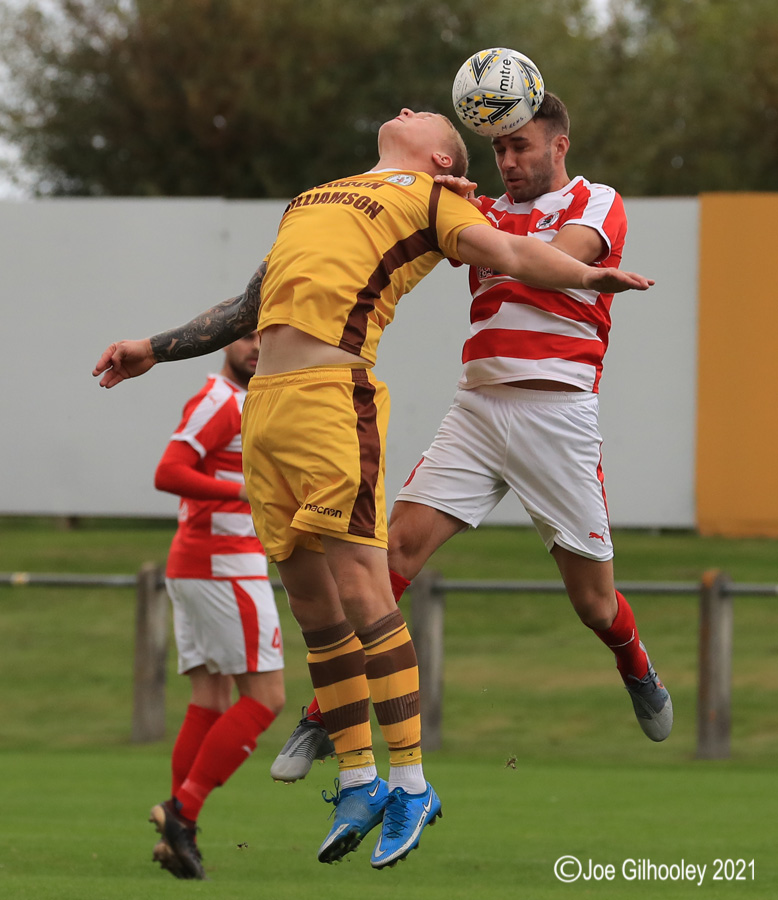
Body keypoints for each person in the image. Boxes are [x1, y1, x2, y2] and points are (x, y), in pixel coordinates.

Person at [93, 106, 653, 870]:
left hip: (339, 398)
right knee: (315, 607)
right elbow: (249, 307)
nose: (407, 109)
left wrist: (588, 275)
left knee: (372, 585)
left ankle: (412, 783)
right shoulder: (312, 198)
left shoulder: (435, 199)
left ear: (439, 158)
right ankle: (358, 780)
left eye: (425, 116)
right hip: (270, 411)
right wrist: (153, 349)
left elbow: (513, 253)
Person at [270, 92, 673, 785]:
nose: (508, 161)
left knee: (594, 603)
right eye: (498, 149)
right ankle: (325, 714)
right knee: (392, 555)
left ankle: (635, 664)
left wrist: (469, 218)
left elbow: (548, 257)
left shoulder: (596, 201)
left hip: (557, 416)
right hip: (478, 409)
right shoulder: (476, 209)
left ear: (559, 145)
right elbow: (413, 226)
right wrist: (436, 201)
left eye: (522, 146)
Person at [148, 331, 285, 880]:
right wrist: (246, 492)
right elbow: (168, 471)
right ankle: (182, 813)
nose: (257, 346)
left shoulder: (251, 402)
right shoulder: (221, 400)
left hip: (203, 565)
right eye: (247, 335)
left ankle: (178, 834)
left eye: (266, 336)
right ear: (226, 342)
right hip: (223, 565)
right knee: (266, 698)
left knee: (210, 699)